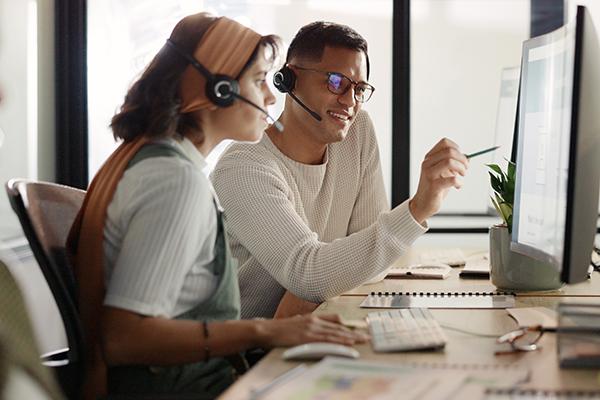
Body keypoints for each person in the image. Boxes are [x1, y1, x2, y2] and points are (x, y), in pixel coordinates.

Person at [68, 14, 366, 400]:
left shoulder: (160, 162)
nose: (272, 97)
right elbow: (124, 337)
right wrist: (266, 330)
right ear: (219, 89)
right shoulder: (175, 182)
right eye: (259, 80)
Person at [211, 21, 469, 319]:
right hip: (250, 351)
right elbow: (310, 273)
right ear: (287, 80)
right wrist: (417, 209)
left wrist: (309, 291)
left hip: (308, 324)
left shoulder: (357, 132)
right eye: (336, 82)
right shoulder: (244, 166)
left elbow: (373, 261)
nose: (349, 101)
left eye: (359, 89)